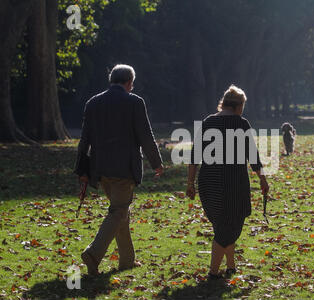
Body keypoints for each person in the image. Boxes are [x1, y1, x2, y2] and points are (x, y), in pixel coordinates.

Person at [74, 64, 164, 275]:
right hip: (124, 168)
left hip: (100, 168)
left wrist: (82, 170)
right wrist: (157, 163)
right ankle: (93, 253)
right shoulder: (134, 102)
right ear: (129, 82)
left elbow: (84, 139)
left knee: (121, 211)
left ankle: (127, 260)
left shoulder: (93, 102)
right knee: (118, 212)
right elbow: (145, 134)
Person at [186, 85, 269, 280]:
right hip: (233, 183)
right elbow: (253, 157)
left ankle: (231, 266)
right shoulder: (241, 124)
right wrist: (263, 179)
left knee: (222, 224)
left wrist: (190, 183)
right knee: (230, 226)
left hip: (208, 183)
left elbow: (194, 156)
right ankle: (213, 273)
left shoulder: (208, 122)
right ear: (239, 105)